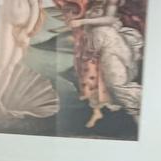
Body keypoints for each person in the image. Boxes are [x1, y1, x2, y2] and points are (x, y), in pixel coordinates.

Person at [55, 0, 145, 128]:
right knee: (100, 83)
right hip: (96, 46)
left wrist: (82, 21)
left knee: (116, 85)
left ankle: (144, 122)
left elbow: (109, 19)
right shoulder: (94, 3)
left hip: (110, 45)